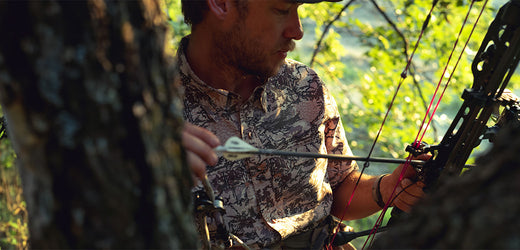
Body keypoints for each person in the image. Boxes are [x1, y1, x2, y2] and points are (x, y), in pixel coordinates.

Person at [178, 0, 428, 248]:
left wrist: (388, 188)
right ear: (221, 4)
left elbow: (341, 185)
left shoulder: (303, 84)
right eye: (281, 10)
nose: (297, 31)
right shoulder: (155, 118)